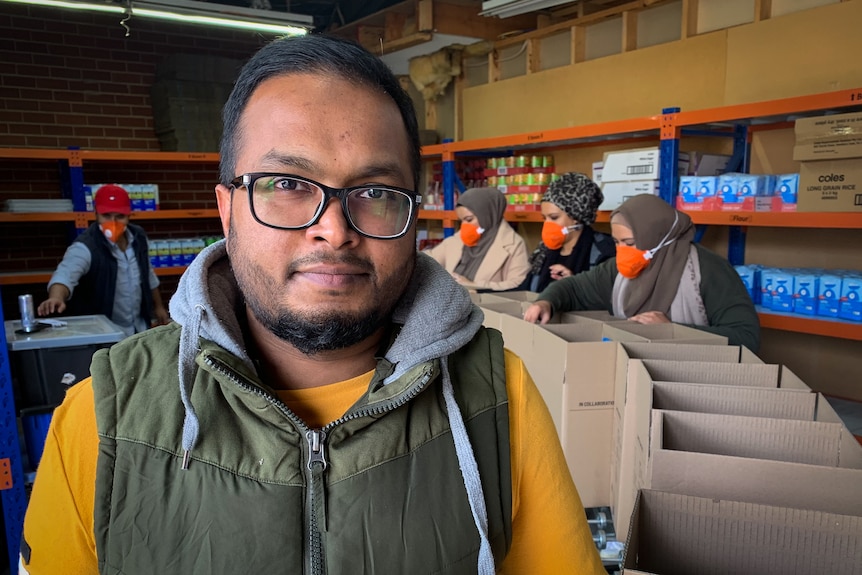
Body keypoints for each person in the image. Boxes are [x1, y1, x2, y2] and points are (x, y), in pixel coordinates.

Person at [21, 35, 605, 575]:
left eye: (374, 194)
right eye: (285, 184)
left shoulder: (496, 397)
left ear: (413, 218)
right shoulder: (104, 417)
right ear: (227, 211)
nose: (333, 230)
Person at [524, 193, 761, 351]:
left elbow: (746, 337)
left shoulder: (707, 270)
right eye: (616, 243)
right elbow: (575, 288)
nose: (621, 252)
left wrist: (672, 330)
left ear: (659, 238)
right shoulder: (618, 271)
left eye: (629, 242)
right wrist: (546, 302)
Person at [36, 184, 169, 337]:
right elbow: (65, 274)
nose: (113, 222)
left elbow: (148, 274)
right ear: (96, 214)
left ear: (129, 215)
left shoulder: (138, 237)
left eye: (119, 216)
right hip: (105, 332)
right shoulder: (86, 246)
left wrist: (158, 306)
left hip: (139, 328)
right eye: (106, 216)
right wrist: (56, 297)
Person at [519, 172, 615, 292]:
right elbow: (524, 291)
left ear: (576, 217)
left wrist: (574, 285)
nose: (547, 224)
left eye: (554, 217)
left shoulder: (604, 252)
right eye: (544, 218)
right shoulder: (542, 252)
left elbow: (607, 299)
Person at [424, 186, 530, 291]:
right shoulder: (457, 239)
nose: (464, 226)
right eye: (461, 221)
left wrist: (473, 285)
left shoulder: (514, 244)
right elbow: (428, 259)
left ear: (487, 216)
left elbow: (517, 285)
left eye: (469, 220)